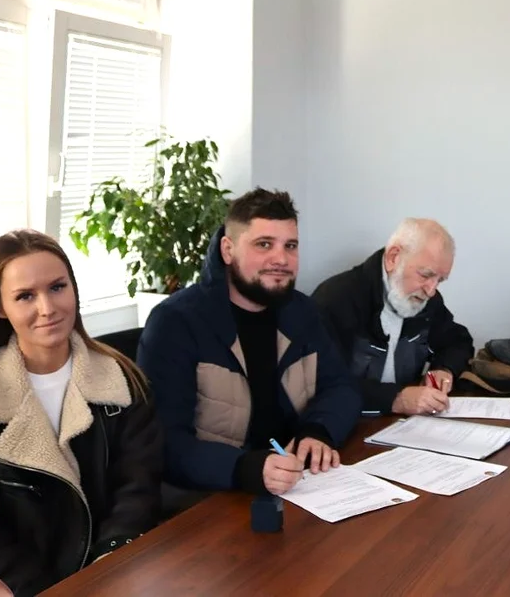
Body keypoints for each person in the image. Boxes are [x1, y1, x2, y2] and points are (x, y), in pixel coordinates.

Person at [0, 230, 161, 597]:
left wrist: (109, 564)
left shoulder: (125, 382)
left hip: (119, 575)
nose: (47, 308)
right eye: (25, 296)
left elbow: (138, 488)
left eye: (58, 287)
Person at [138, 188, 360, 503]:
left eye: (290, 246)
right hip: (211, 495)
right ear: (228, 250)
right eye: (264, 244)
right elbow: (165, 441)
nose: (281, 259)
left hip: (296, 485)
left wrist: (317, 431)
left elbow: (341, 388)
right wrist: (246, 467)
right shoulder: (175, 322)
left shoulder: (303, 312)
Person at [312, 218, 473, 415]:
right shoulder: (335, 299)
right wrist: (395, 398)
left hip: (403, 423)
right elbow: (321, 382)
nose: (431, 290)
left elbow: (458, 342)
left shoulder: (426, 300)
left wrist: (444, 369)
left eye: (439, 280)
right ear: (393, 258)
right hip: (347, 423)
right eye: (425, 275)